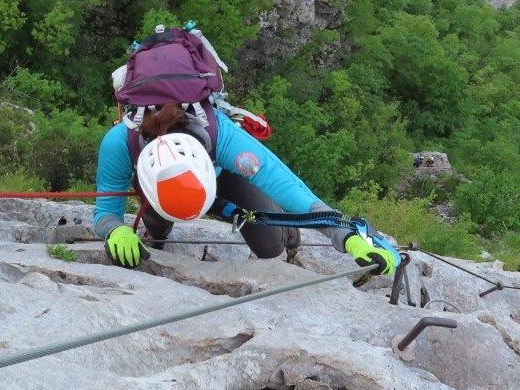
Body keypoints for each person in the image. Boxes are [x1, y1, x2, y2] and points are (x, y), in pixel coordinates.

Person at [92, 97, 401, 275]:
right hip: (154, 188)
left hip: (220, 174)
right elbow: (105, 211)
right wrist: (115, 229)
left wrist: (351, 239)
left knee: (271, 247)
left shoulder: (228, 142)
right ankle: (157, 232)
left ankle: (286, 230)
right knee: (157, 221)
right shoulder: (119, 144)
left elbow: (298, 195)